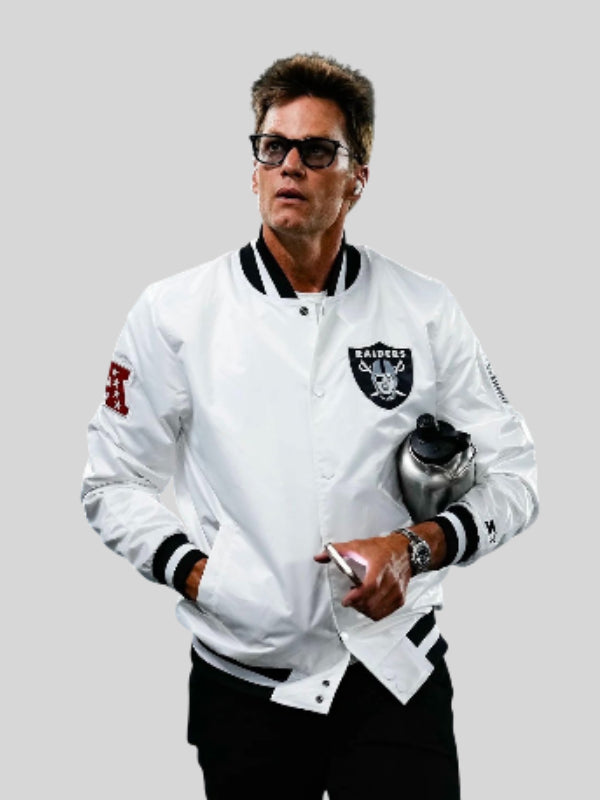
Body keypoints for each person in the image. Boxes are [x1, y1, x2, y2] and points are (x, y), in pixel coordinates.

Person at [82, 53, 538, 799]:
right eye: (274, 147)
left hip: (395, 669)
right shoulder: (174, 313)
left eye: (318, 150)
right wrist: (204, 576)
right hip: (244, 680)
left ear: (358, 178)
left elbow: (515, 478)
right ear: (254, 170)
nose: (291, 165)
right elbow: (111, 483)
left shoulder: (424, 308)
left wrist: (415, 548)